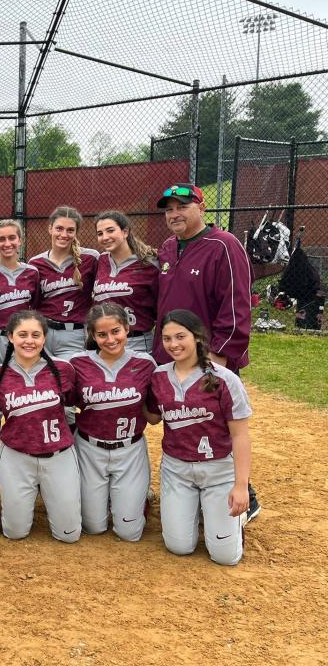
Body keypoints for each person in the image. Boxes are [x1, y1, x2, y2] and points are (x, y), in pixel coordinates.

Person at [153, 183, 259, 521]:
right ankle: (195, 495)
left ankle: (245, 495)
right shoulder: (168, 249)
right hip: (174, 352)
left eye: (182, 206)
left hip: (211, 358)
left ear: (202, 208)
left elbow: (237, 305)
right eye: (169, 209)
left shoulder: (224, 245)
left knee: (219, 425)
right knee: (185, 424)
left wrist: (218, 359)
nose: (174, 214)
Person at [145, 309, 252, 566]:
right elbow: (152, 417)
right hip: (177, 468)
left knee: (226, 557)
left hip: (217, 469)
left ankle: (231, 523)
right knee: (179, 546)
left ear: (197, 337)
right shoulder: (159, 376)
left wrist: (240, 486)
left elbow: (240, 436)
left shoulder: (223, 378)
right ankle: (200, 512)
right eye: (167, 338)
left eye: (180, 336)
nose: (173, 344)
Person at [0, 310, 80, 543]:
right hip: (16, 456)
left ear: (44, 338)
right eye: (22, 334)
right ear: (10, 337)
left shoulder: (63, 369)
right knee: (15, 533)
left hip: (59, 454)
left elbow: (75, 407)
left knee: (69, 535)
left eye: (36, 335)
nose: (29, 341)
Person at [68, 303, 157, 542]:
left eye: (116, 331)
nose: (110, 339)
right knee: (93, 527)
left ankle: (137, 498)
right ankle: (114, 497)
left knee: (130, 533)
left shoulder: (146, 364)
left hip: (130, 449)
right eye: (102, 334)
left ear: (127, 328)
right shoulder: (77, 364)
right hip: (89, 448)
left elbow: (155, 415)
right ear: (92, 335)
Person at [0, 219, 40, 450]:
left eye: (12, 238)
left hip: (23, 341)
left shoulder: (32, 272)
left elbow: (36, 306)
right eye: (1, 239)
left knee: (22, 391)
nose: (7, 243)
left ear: (20, 240)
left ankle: (23, 446)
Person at [29, 206, 99, 361]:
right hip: (43, 332)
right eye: (59, 228)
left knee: (68, 378)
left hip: (74, 334)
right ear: (50, 228)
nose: (64, 234)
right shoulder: (35, 263)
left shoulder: (90, 258)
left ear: (76, 232)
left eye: (70, 230)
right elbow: (33, 303)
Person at [92, 210, 160, 353]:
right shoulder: (100, 261)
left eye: (110, 231)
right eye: (100, 233)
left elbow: (161, 306)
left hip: (138, 342)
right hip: (105, 343)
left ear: (125, 232)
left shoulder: (149, 264)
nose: (105, 237)